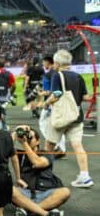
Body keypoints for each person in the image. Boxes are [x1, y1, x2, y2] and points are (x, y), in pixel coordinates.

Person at [44, 49, 94, 188]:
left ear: (57, 62)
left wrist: (46, 103)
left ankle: (45, 176)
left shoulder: (57, 75)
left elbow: (56, 94)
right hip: (76, 117)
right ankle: (85, 176)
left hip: (61, 117)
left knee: (49, 146)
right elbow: (85, 97)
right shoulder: (78, 76)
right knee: (78, 146)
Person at [12, 126, 70, 216]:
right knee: (7, 188)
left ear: (38, 141)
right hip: (26, 193)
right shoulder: (20, 155)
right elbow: (5, 145)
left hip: (45, 194)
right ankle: (44, 212)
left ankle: (28, 211)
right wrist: (17, 131)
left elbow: (37, 163)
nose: (28, 139)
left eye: (31, 137)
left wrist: (24, 143)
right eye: (27, 136)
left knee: (65, 192)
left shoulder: (47, 154)